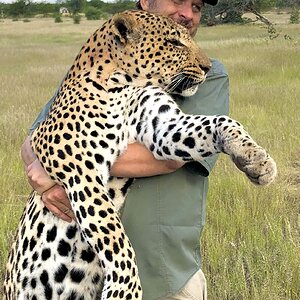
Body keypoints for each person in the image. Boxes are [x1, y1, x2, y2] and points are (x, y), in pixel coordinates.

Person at [21, 0, 229, 299]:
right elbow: (35, 136)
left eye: (196, 6)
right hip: (72, 273)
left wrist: (63, 161)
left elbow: (171, 156)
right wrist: (39, 175)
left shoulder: (208, 74)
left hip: (162, 276)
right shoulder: (99, 61)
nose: (188, 13)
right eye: (178, 0)